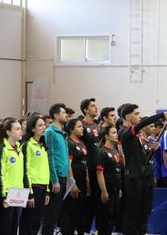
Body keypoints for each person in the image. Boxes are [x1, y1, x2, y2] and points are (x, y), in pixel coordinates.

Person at [120, 104, 167, 235]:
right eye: (136, 114)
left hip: (145, 176)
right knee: (133, 211)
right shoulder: (125, 133)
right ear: (127, 116)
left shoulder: (137, 137)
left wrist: (151, 150)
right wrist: (161, 115)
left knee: (145, 210)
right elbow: (141, 125)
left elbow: (141, 157)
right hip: (134, 178)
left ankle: (141, 232)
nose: (139, 116)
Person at [19, 115, 50, 235]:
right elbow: (25, 170)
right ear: (32, 129)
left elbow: (45, 170)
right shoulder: (27, 145)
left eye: (44, 125)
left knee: (37, 222)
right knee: (28, 221)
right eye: (40, 125)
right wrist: (29, 193)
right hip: (33, 188)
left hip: (43, 187)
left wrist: (47, 190)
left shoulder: (42, 147)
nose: (44, 127)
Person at [0, 118, 24, 235]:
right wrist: (4, 195)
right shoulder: (2, 150)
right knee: (3, 227)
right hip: (6, 194)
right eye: (17, 129)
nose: (21, 131)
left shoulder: (19, 150)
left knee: (13, 227)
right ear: (8, 132)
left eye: (21, 129)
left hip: (18, 193)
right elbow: (0, 174)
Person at [41, 103, 69, 235]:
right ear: (56, 115)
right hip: (55, 179)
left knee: (57, 212)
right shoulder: (50, 132)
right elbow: (49, 157)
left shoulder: (63, 133)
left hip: (63, 177)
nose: (66, 115)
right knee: (50, 214)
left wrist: (68, 177)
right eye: (63, 113)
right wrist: (54, 180)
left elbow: (64, 157)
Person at [60, 119, 90, 235]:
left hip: (82, 181)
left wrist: (87, 181)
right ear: (71, 129)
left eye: (82, 126)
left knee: (80, 211)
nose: (82, 128)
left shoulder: (81, 143)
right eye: (79, 127)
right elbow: (68, 164)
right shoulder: (69, 143)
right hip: (73, 181)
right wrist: (72, 183)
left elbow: (85, 162)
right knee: (70, 211)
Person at [80, 98, 102, 233]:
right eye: (93, 106)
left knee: (96, 203)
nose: (96, 108)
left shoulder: (96, 126)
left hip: (97, 168)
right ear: (85, 110)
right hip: (86, 169)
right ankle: (83, 230)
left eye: (96, 105)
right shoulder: (81, 125)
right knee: (86, 204)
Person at [96, 125, 123, 235]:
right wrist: (104, 191)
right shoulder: (101, 152)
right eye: (113, 133)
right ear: (106, 136)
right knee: (105, 219)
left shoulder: (115, 151)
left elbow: (117, 171)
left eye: (116, 132)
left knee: (112, 217)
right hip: (107, 189)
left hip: (116, 189)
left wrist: (119, 188)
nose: (116, 135)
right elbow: (99, 173)